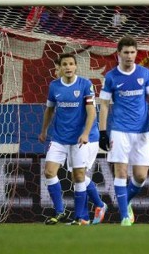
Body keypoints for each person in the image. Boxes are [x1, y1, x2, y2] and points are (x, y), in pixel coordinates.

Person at [98, 36, 149, 226]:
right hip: (119, 130)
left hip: (141, 132)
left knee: (141, 176)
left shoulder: (144, 73)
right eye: (126, 52)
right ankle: (125, 216)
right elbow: (105, 105)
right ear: (119, 54)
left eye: (133, 52)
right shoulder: (111, 77)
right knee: (121, 173)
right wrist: (102, 132)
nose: (130, 56)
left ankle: (126, 202)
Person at [39, 54, 103, 225]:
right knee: (49, 172)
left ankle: (80, 216)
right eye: (65, 64)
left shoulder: (85, 85)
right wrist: (43, 130)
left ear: (76, 67)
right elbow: (49, 110)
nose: (68, 67)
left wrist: (86, 133)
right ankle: (60, 212)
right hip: (59, 137)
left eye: (71, 64)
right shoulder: (54, 86)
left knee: (78, 175)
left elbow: (91, 112)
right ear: (58, 67)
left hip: (79, 138)